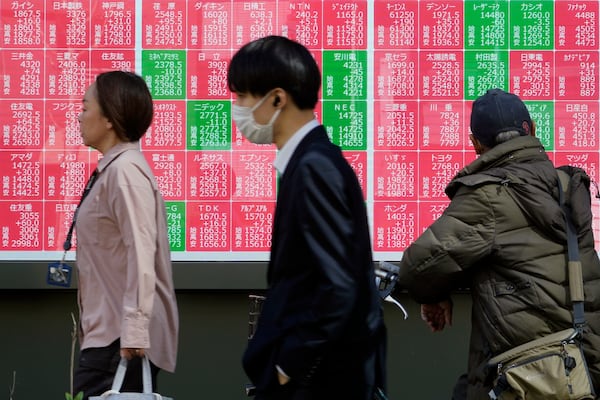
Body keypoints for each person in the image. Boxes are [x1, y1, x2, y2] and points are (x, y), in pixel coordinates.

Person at [394, 88, 600, 398]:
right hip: (584, 364)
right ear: (530, 128)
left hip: (526, 375)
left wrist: (436, 292)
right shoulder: (568, 186)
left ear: (475, 144)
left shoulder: (488, 196)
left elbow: (418, 266)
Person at [228, 35, 386, 400]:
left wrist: (287, 368)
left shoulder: (314, 167)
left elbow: (338, 286)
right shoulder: (313, 162)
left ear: (278, 98)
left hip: (318, 383)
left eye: (242, 97)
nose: (237, 109)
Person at [73, 70, 178, 399]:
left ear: (108, 118)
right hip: (109, 336)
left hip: (119, 343)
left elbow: (141, 251)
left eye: (85, 106)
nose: (79, 115)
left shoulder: (124, 172)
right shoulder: (114, 169)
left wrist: (134, 330)